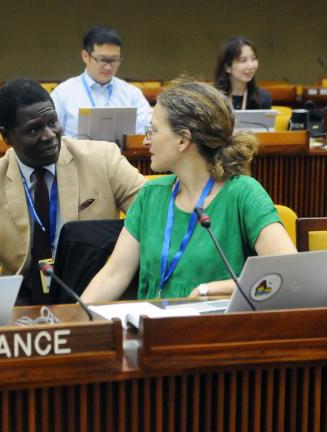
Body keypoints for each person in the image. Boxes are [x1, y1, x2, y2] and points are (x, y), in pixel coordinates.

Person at [81, 79, 296, 303]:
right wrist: (74, 319)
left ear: (183, 139)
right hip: (154, 329)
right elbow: (113, 275)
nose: (146, 140)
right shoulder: (150, 195)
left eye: (153, 130)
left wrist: (209, 290)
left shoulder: (243, 193)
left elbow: (287, 273)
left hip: (217, 330)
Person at [0, 78, 146, 305]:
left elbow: (153, 216)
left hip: (94, 293)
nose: (48, 135)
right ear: (6, 136)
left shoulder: (103, 159)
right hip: (23, 301)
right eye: (34, 129)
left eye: (52, 122)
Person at [50, 26, 152, 138]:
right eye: (102, 60)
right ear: (85, 56)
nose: (108, 67)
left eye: (114, 60)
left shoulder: (132, 94)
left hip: (122, 155)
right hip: (76, 155)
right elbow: (52, 135)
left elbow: (148, 131)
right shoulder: (63, 93)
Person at [214, 37, 272, 110]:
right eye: (243, 60)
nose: (250, 66)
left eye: (253, 59)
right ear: (227, 67)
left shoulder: (263, 98)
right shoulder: (213, 98)